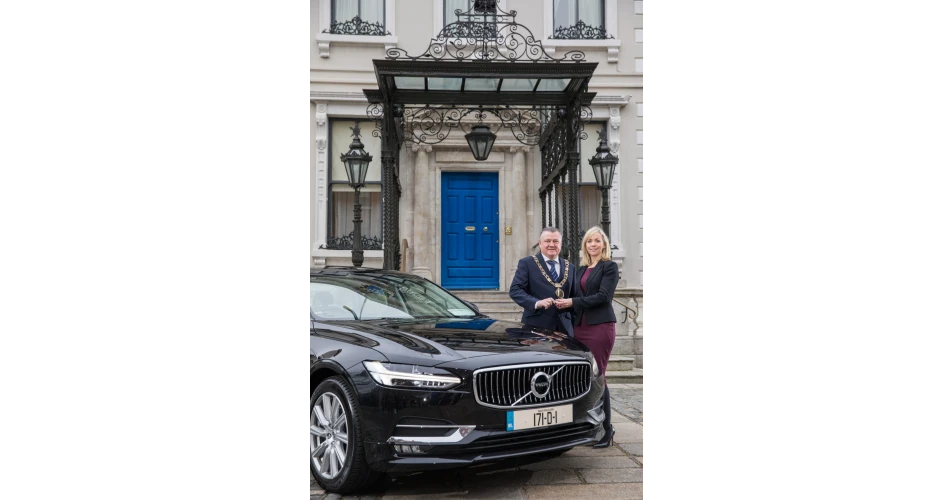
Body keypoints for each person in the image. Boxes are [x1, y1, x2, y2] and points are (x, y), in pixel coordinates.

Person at [555, 226, 619, 448]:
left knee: (599, 377)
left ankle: (607, 429)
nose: (593, 244)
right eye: (589, 241)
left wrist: (572, 302)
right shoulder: (581, 269)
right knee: (585, 378)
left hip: (600, 326)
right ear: (585, 245)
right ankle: (589, 427)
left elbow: (603, 297)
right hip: (579, 327)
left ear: (604, 244)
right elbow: (573, 294)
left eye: (597, 241)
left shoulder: (609, 267)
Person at [509, 227, 576, 337]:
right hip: (536, 326)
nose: (551, 244)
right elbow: (515, 290)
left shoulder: (571, 267)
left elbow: (575, 296)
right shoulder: (527, 263)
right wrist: (537, 303)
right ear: (540, 243)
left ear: (561, 243)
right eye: (547, 241)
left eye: (555, 241)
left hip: (564, 328)